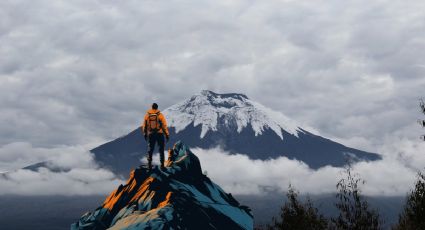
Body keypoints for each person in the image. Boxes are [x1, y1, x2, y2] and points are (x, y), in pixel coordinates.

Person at [142, 103, 170, 171]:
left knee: (150, 150)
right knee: (161, 150)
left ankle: (149, 165)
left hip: (151, 134)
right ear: (157, 107)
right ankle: (162, 166)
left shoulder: (147, 115)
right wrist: (167, 134)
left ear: (151, 107)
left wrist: (145, 134)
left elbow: (144, 125)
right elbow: (164, 125)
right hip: (159, 134)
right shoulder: (160, 115)